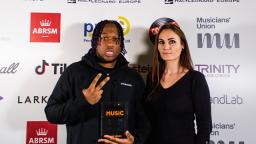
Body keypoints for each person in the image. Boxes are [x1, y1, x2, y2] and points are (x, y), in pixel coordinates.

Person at [45, 20, 149, 144]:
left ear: (121, 44)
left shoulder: (133, 78)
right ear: (95, 41)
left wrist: (135, 141)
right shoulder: (75, 72)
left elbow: (144, 122)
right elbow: (51, 113)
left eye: (115, 38)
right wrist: (83, 101)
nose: (110, 43)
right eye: (104, 37)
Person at [144, 23, 212, 144]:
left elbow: (205, 127)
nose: (166, 47)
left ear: (182, 45)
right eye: (161, 42)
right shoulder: (152, 78)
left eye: (172, 42)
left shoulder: (195, 79)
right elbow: (146, 120)